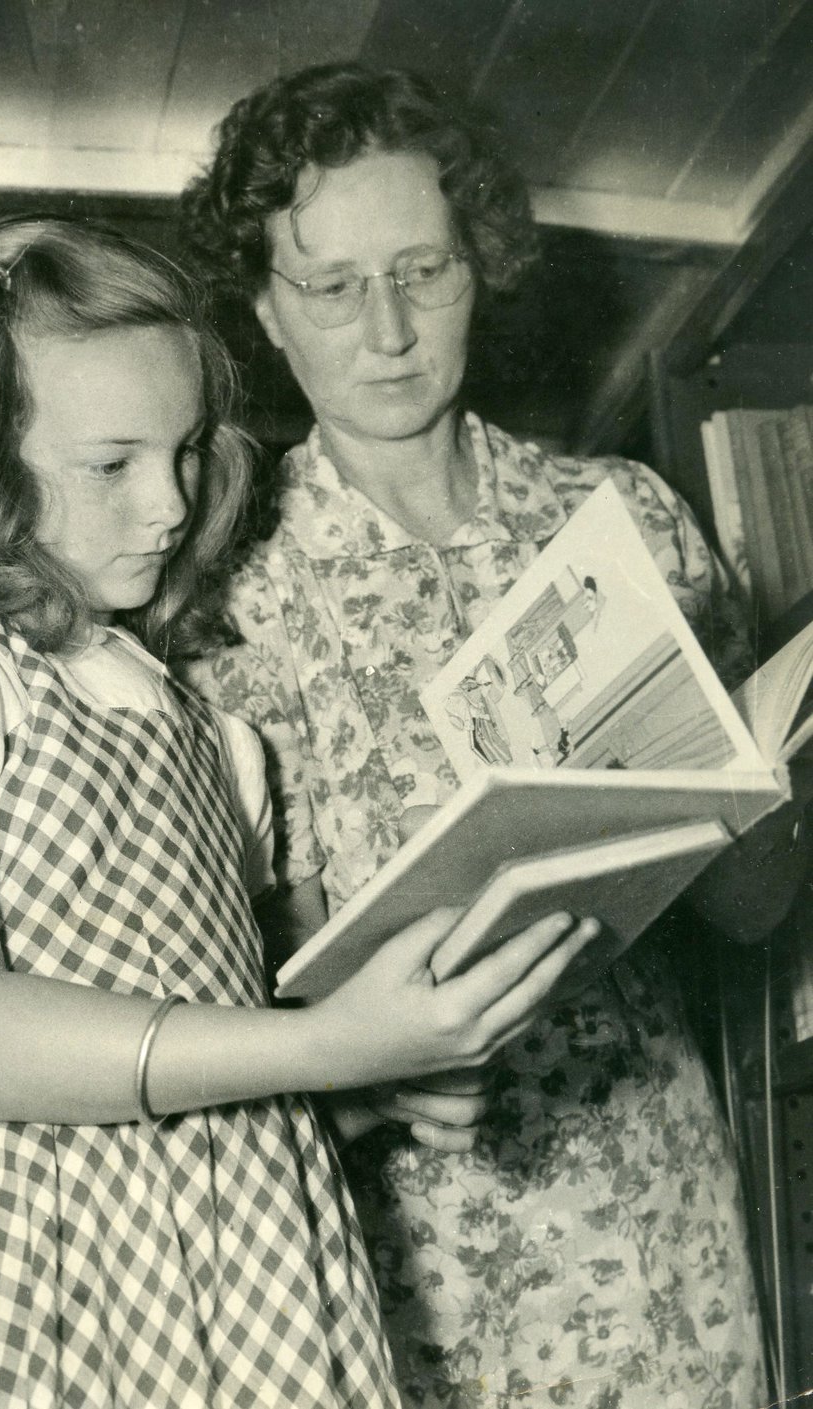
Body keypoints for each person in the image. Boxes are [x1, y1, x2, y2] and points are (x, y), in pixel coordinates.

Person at [0, 215, 601, 1409]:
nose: (172, 502)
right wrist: (325, 1044)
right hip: (24, 1271)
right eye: (111, 462)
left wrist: (362, 1085)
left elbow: (215, 1072)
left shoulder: (209, 732)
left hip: (246, 1273)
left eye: (186, 450)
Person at [180, 63, 802, 1408]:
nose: (390, 327)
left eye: (426, 269)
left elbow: (757, 909)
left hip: (647, 1198)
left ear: (482, 265)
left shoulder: (620, 518)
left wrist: (750, 774)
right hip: (402, 1235)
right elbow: (228, 993)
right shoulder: (221, 590)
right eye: (335, 287)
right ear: (266, 313)